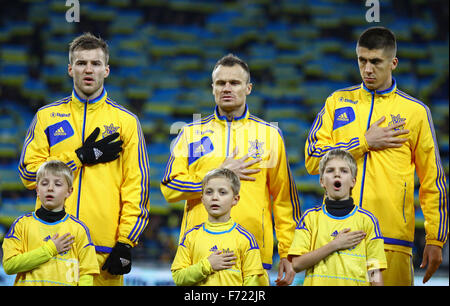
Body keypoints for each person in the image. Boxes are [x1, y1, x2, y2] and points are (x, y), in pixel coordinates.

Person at [304, 26, 447, 285]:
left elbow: (433, 181)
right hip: (336, 236)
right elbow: (313, 159)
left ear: (393, 63)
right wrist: (363, 142)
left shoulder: (416, 112)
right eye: (362, 60)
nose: (367, 69)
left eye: (375, 62)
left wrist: (435, 238)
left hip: (391, 240)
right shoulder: (337, 102)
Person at [17, 32, 150, 285]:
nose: (88, 69)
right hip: (49, 246)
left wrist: (125, 242)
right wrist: (78, 157)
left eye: (95, 63)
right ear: (70, 69)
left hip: (103, 251)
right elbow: (27, 174)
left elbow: (136, 188)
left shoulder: (127, 122)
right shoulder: (47, 116)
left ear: (106, 70)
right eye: (81, 63)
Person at [161, 54, 301, 285]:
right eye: (220, 83)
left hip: (253, 253)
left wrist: (288, 252)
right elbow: (169, 188)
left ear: (248, 88)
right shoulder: (190, 133)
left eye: (234, 83)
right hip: (199, 255)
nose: (227, 88)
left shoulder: (269, 135)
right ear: (212, 88)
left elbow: (284, 199)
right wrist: (218, 173)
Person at [289, 149, 386, 286]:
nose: (337, 174)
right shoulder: (310, 218)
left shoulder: (368, 220)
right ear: (322, 181)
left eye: (344, 171)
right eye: (330, 170)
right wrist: (335, 244)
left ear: (353, 181)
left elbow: (374, 271)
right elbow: (297, 264)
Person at [2, 160, 99, 286]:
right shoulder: (21, 225)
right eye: (44, 183)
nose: (50, 188)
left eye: (58, 184)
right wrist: (50, 249)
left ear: (69, 191)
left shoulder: (78, 229)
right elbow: (9, 265)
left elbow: (86, 273)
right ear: (37, 189)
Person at [171, 168, 265, 286]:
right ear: (202, 199)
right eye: (209, 192)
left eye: (222, 192)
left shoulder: (246, 239)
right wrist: (208, 265)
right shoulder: (190, 237)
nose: (214, 197)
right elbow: (178, 278)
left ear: (235, 199)